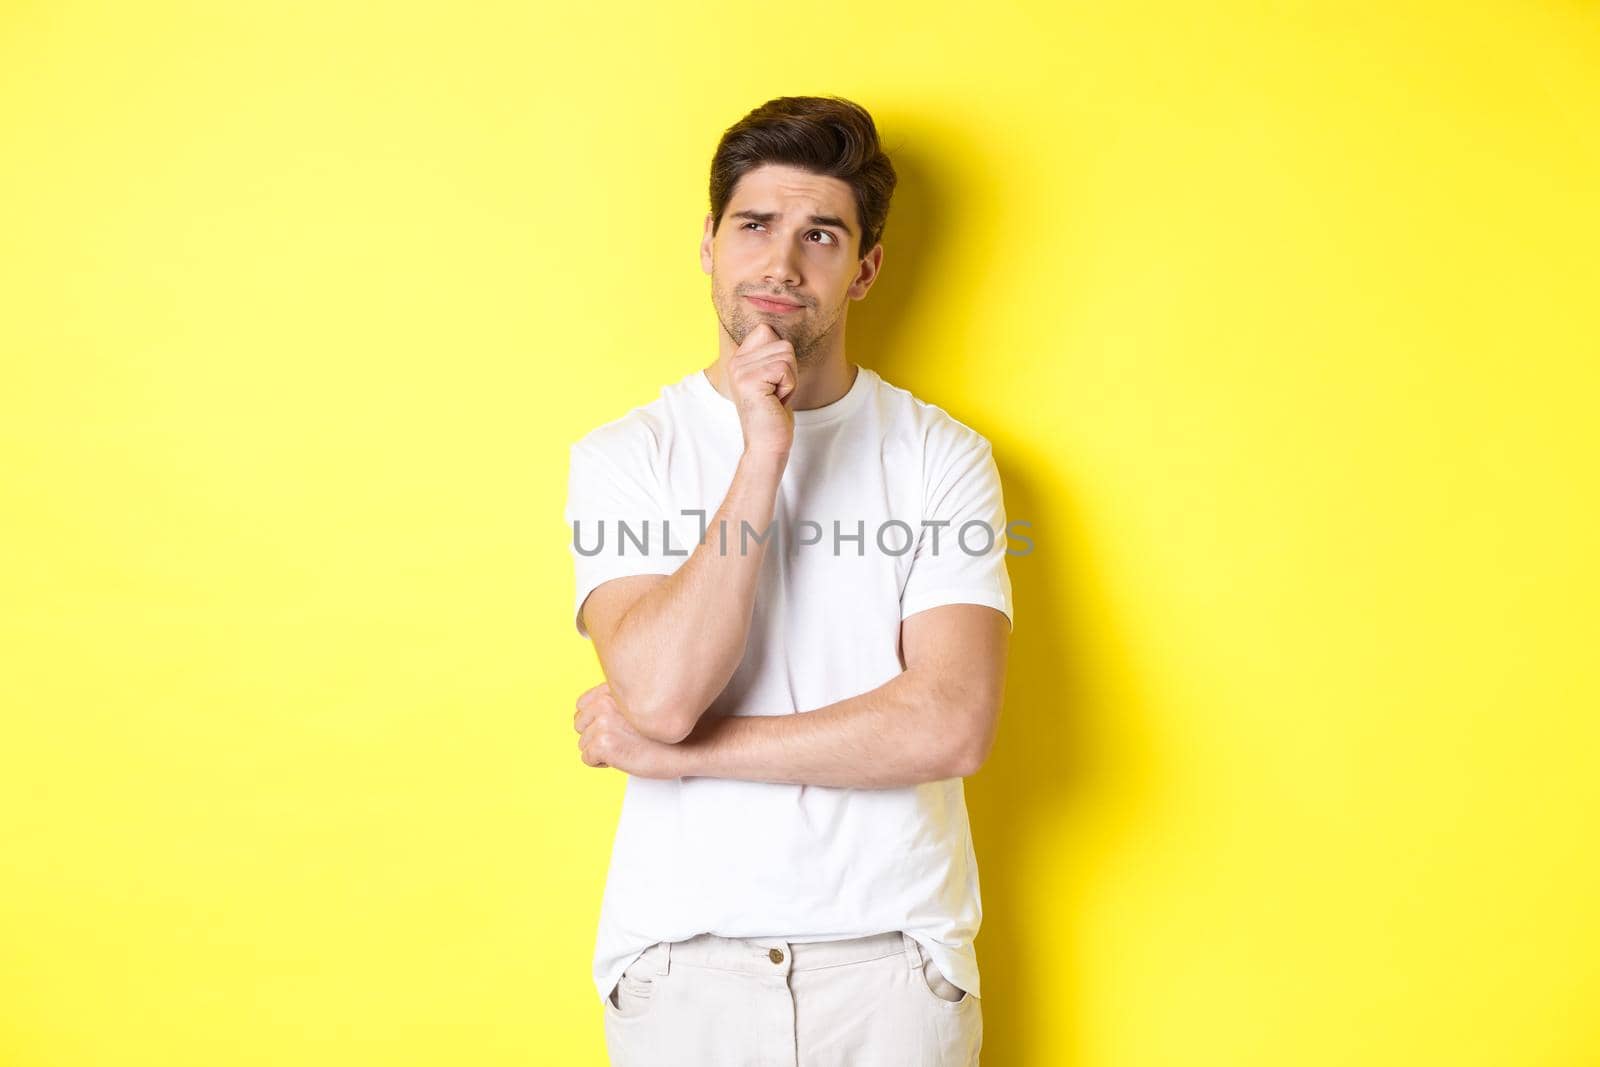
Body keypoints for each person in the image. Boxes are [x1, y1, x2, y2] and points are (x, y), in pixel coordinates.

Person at [565, 94, 1012, 1066]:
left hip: (891, 965)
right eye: (755, 225)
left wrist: (685, 756)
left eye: (820, 232)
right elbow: (659, 691)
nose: (780, 262)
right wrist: (762, 450)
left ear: (866, 267)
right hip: (682, 967)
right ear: (709, 244)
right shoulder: (623, 457)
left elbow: (949, 722)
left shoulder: (941, 456)